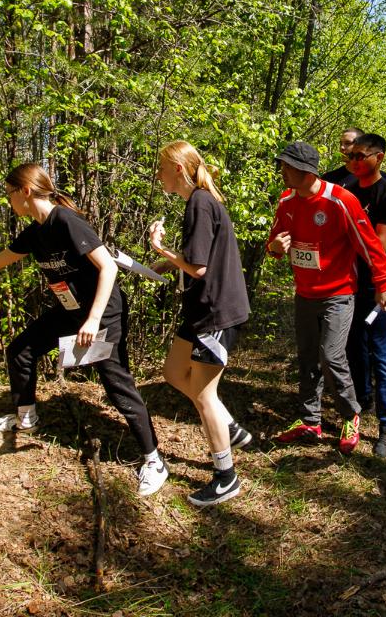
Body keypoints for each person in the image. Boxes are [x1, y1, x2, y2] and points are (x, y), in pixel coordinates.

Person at [0, 163, 168, 497]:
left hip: (102, 314)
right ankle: (26, 418)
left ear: (26, 191)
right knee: (21, 349)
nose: (8, 201)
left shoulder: (66, 222)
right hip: (70, 310)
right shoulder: (36, 232)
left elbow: (108, 267)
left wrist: (92, 320)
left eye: (9, 194)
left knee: (114, 381)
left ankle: (153, 460)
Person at [266, 141, 386, 455]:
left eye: (286, 166)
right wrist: (275, 248)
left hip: (338, 294)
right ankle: (310, 420)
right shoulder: (286, 200)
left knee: (331, 356)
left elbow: (369, 245)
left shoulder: (339, 199)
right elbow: (275, 241)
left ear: (305, 170)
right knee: (308, 357)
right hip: (304, 293)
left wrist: (382, 282)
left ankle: (351, 415)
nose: (281, 171)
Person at [149, 141, 253, 507]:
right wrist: (164, 265)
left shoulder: (199, 202)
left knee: (205, 395)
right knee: (175, 372)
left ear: (177, 168)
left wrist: (161, 250)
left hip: (216, 313)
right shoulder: (202, 201)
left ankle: (226, 477)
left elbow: (199, 267)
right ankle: (231, 428)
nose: (158, 174)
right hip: (200, 310)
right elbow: (200, 258)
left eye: (162, 168)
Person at [341, 134, 386, 457]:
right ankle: (359, 407)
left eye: (360, 155)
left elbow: (377, 247)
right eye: (351, 155)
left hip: (379, 289)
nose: (354, 161)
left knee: (380, 353)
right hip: (348, 285)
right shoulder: (348, 187)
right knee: (354, 350)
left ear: (378, 158)